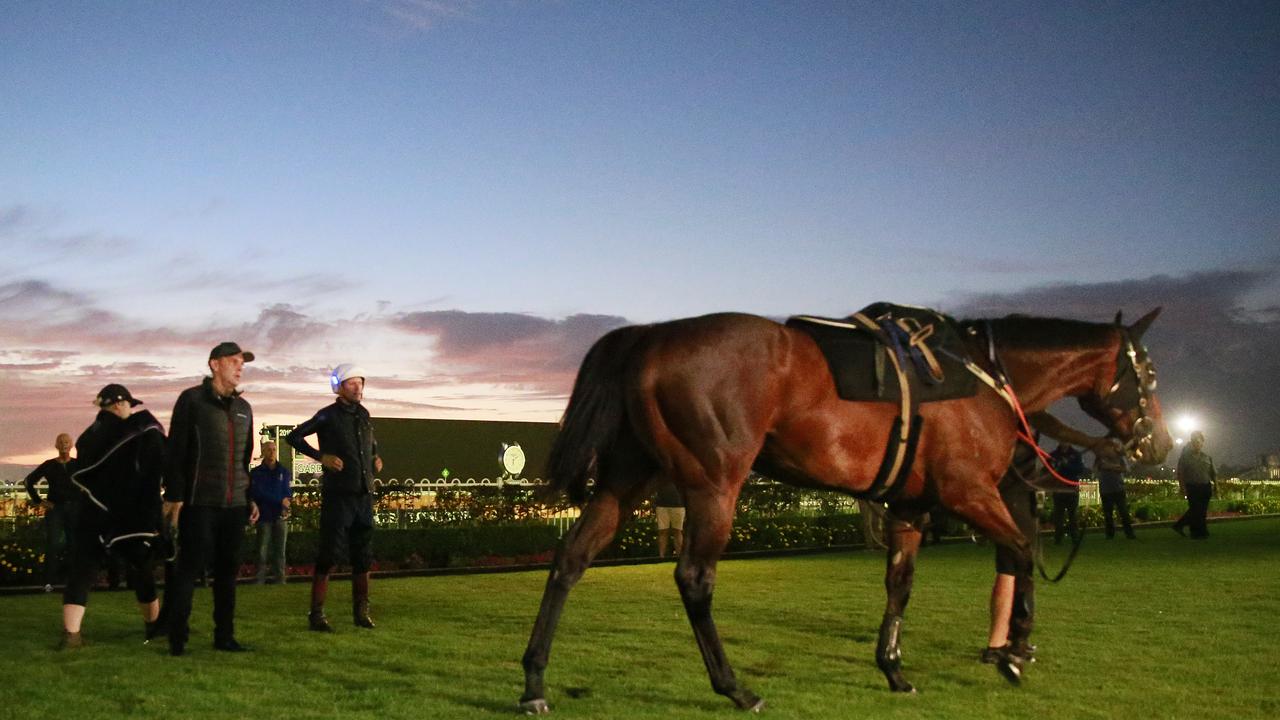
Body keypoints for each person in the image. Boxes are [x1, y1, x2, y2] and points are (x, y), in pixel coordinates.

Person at [983, 413, 1119, 665]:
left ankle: (1007, 640)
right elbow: (1049, 427)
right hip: (1015, 494)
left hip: (1020, 494)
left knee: (1014, 569)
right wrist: (1094, 442)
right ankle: (1004, 643)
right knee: (1014, 567)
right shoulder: (1015, 411)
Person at [162, 342, 259, 656]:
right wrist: (175, 496)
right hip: (199, 501)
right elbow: (175, 452)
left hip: (234, 505)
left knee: (228, 573)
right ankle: (178, 638)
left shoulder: (245, 409)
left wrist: (250, 496)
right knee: (188, 569)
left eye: (242, 362)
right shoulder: (191, 401)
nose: (239, 367)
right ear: (215, 364)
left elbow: (244, 460)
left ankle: (225, 636)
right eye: (233, 361)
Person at [59, 384, 166, 649]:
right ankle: (154, 625)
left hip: (92, 511)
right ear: (120, 404)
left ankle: (71, 635)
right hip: (130, 514)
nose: (132, 410)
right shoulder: (141, 430)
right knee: (142, 568)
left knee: (82, 570)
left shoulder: (88, 438)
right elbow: (158, 464)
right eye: (130, 404)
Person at [286, 363, 383, 632]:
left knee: (363, 557)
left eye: (360, 382)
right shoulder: (326, 416)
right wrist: (322, 457)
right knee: (329, 555)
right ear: (338, 387)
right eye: (351, 383)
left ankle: (361, 613)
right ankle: (316, 615)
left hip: (364, 496)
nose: (358, 387)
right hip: (338, 497)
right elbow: (294, 437)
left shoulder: (364, 415)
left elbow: (370, 443)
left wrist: (375, 457)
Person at [24, 433, 78, 592]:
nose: (64, 444)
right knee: (53, 544)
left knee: (74, 545)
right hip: (56, 509)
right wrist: (39, 501)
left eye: (66, 442)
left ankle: (74, 582)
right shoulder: (49, 465)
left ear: (71, 445)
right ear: (56, 445)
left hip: (74, 509)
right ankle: (48, 582)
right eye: (61, 442)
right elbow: (29, 481)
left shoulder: (78, 464)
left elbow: (90, 481)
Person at [250, 439, 293, 584]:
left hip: (280, 516)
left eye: (274, 449)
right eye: (269, 449)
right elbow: (259, 493)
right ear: (263, 452)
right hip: (264, 516)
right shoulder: (256, 473)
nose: (272, 452)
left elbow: (287, 492)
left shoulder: (283, 471)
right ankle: (259, 581)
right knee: (262, 551)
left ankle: (280, 580)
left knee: (280, 552)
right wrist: (279, 500)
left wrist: (286, 503)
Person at [1173, 431, 1216, 539]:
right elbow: (1180, 473)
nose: (1197, 444)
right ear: (1191, 443)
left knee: (1202, 511)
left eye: (1199, 441)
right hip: (1192, 486)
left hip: (1205, 486)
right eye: (1195, 442)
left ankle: (1201, 532)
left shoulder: (1207, 457)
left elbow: (1213, 473)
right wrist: (1182, 488)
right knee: (1195, 509)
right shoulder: (1185, 458)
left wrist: (1216, 486)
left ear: (1202, 443)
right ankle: (1193, 531)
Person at [1096, 443, 1136, 539]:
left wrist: (1110, 467)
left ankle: (1129, 533)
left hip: (1118, 489)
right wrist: (1116, 467)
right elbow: (1100, 467)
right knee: (1108, 514)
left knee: (1123, 512)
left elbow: (1126, 469)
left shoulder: (1120, 458)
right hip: (1105, 490)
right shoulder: (1100, 458)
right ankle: (1110, 534)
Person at [1048, 443, 1084, 544]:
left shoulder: (1076, 454)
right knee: (1058, 515)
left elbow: (1080, 469)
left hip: (1071, 489)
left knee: (1073, 515)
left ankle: (1075, 537)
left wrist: (1066, 465)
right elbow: (1048, 468)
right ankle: (1058, 538)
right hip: (1059, 489)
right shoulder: (1054, 455)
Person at [654, 480, 685, 558]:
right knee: (662, 531)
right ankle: (661, 557)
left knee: (677, 531)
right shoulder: (661, 471)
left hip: (679, 504)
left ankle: (679, 557)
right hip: (662, 504)